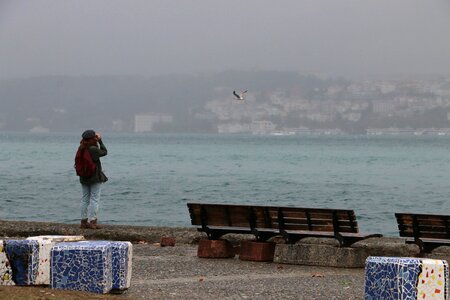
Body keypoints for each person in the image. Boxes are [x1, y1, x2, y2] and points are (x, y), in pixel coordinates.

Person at [78, 129, 108, 229]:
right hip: (94, 177)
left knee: (85, 199)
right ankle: (93, 221)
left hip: (84, 177)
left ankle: (83, 221)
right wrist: (100, 141)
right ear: (92, 138)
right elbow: (104, 152)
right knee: (94, 199)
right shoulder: (93, 149)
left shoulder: (81, 148)